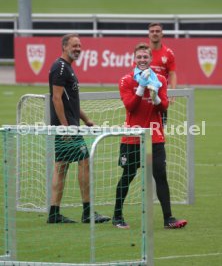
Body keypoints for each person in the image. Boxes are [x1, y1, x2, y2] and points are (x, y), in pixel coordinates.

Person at [112, 42, 187, 229]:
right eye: (139, 57)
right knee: (128, 175)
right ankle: (117, 216)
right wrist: (141, 88)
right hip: (132, 137)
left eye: (145, 57)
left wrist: (156, 98)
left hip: (155, 137)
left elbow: (164, 107)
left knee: (160, 176)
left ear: (151, 59)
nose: (143, 60)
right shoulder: (126, 80)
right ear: (134, 59)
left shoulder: (160, 79)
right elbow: (130, 106)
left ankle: (168, 218)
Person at [47, 33, 111, 224]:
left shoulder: (67, 68)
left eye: (80, 46)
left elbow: (71, 102)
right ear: (64, 46)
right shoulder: (60, 67)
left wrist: (86, 119)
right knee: (84, 159)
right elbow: (56, 98)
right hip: (66, 128)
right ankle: (87, 212)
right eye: (74, 45)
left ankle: (54, 213)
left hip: (68, 126)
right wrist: (66, 127)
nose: (78, 49)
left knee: (61, 167)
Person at [148, 22, 177, 125]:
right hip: (145, 96)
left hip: (161, 96)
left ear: (162, 34)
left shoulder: (168, 53)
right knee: (141, 129)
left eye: (157, 31)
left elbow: (172, 74)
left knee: (160, 128)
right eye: (152, 31)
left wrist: (173, 93)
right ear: (149, 34)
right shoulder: (143, 53)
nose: (155, 33)